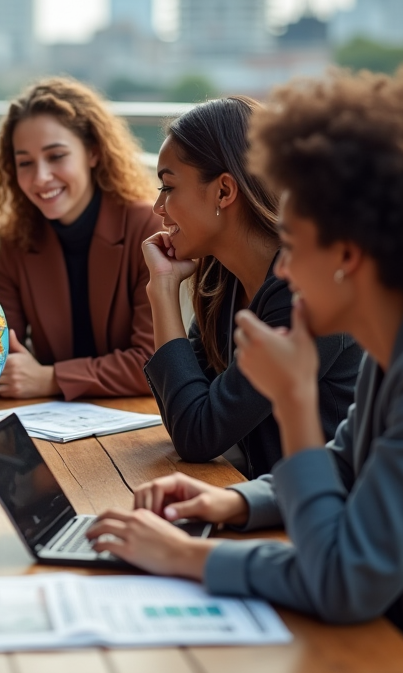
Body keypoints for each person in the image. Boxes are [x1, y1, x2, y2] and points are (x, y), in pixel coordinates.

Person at [85, 63, 403, 673]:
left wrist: (185, 558)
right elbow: (346, 461)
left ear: (348, 256)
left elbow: (347, 579)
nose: (282, 270)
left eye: (296, 247)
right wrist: (234, 503)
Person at [141, 96, 360, 478]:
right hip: (274, 497)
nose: (158, 207)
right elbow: (190, 406)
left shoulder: (307, 291)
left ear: (224, 192)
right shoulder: (220, 279)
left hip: (338, 514)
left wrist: (162, 292)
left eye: (168, 186)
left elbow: (198, 434)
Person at [0, 77, 159, 400]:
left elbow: (155, 362)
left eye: (56, 156)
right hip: (52, 423)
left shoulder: (146, 226)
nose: (40, 177)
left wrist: (52, 379)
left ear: (93, 152)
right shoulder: (16, 238)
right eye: (25, 162)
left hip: (141, 421)